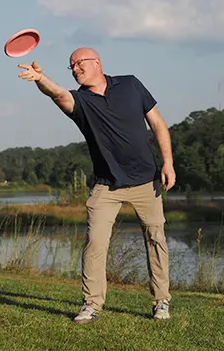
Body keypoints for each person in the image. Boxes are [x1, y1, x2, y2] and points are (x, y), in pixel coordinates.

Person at [17, 47, 176, 323]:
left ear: (97, 63)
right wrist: (41, 79)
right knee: (95, 243)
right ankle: (91, 304)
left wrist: (168, 163)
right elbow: (58, 94)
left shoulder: (130, 84)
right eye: (72, 66)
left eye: (79, 63)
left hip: (146, 181)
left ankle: (161, 302)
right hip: (107, 185)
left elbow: (158, 124)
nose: (76, 68)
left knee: (156, 240)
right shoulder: (80, 102)